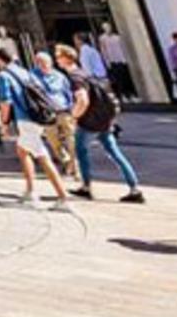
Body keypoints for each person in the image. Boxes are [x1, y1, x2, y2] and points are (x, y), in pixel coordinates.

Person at [55, 45, 142, 203]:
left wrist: (73, 116)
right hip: (103, 120)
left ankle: (86, 187)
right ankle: (134, 188)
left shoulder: (75, 77)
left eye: (58, 56)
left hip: (89, 122)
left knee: (81, 151)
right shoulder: (84, 73)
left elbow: (82, 100)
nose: (56, 60)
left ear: (66, 58)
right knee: (115, 153)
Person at [0, 47, 69, 206]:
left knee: (43, 157)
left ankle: (63, 197)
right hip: (38, 117)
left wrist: (4, 124)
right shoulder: (25, 72)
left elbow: (6, 102)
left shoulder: (3, 75)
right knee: (22, 151)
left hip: (25, 119)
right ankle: (30, 191)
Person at [31, 52, 79, 183]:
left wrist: (72, 110)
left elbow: (68, 93)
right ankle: (65, 160)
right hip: (48, 113)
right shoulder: (33, 76)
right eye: (39, 63)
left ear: (50, 63)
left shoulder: (60, 76)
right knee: (53, 139)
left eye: (44, 63)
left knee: (71, 138)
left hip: (63, 110)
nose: (42, 66)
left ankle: (74, 165)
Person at [99, 23, 136, 100]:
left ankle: (130, 94)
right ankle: (122, 95)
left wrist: (124, 59)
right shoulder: (102, 38)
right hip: (112, 61)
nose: (108, 29)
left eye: (109, 27)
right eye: (106, 28)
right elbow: (104, 51)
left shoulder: (117, 37)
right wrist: (107, 61)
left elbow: (122, 48)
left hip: (120, 60)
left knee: (125, 77)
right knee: (118, 79)